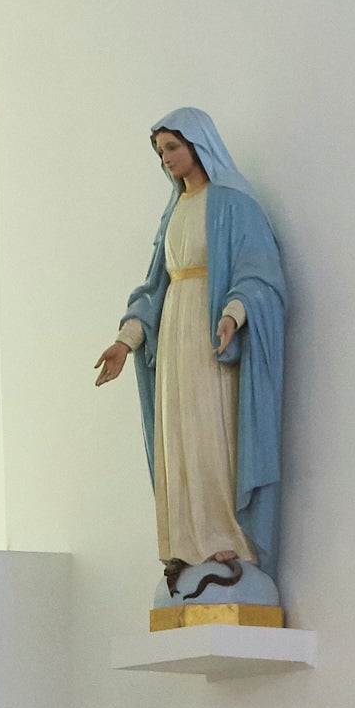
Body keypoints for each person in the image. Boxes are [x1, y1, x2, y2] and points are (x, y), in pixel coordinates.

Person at [92, 107, 288, 618]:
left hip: (209, 336)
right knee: (178, 434)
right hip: (175, 336)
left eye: (173, 148)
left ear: (198, 145)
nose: (168, 160)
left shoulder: (234, 204)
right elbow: (155, 287)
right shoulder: (175, 210)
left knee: (210, 432)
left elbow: (260, 273)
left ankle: (226, 535)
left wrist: (235, 312)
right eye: (161, 153)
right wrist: (127, 340)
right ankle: (187, 541)